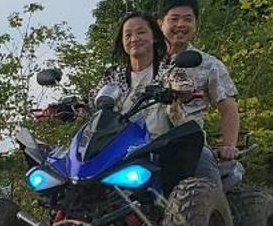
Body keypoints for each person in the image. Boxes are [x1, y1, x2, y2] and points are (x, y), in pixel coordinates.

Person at [87, 12, 213, 189]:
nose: (134, 38)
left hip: (163, 147)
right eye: (128, 35)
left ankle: (214, 211)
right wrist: (66, 108)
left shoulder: (168, 69)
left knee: (203, 169)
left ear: (154, 36)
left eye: (141, 32)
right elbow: (93, 102)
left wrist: (175, 91)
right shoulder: (112, 75)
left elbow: (184, 86)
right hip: (120, 151)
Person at [156, 0, 241, 175]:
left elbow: (228, 106)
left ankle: (214, 202)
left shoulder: (210, 64)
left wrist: (229, 146)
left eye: (188, 19)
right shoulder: (145, 62)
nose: (181, 25)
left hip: (188, 145)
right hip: (143, 142)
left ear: (195, 24)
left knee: (205, 179)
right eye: (174, 19)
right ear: (160, 23)